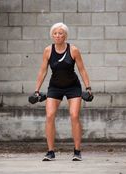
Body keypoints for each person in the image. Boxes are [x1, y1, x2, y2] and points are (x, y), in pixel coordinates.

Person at [34, 22, 92, 161]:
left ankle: (77, 151)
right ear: (52, 35)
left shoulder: (73, 50)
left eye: (60, 33)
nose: (58, 36)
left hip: (73, 86)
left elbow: (82, 69)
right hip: (55, 87)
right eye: (55, 33)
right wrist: (36, 90)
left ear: (65, 35)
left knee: (74, 115)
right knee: (49, 115)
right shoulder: (48, 50)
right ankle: (50, 152)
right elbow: (43, 70)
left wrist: (88, 87)